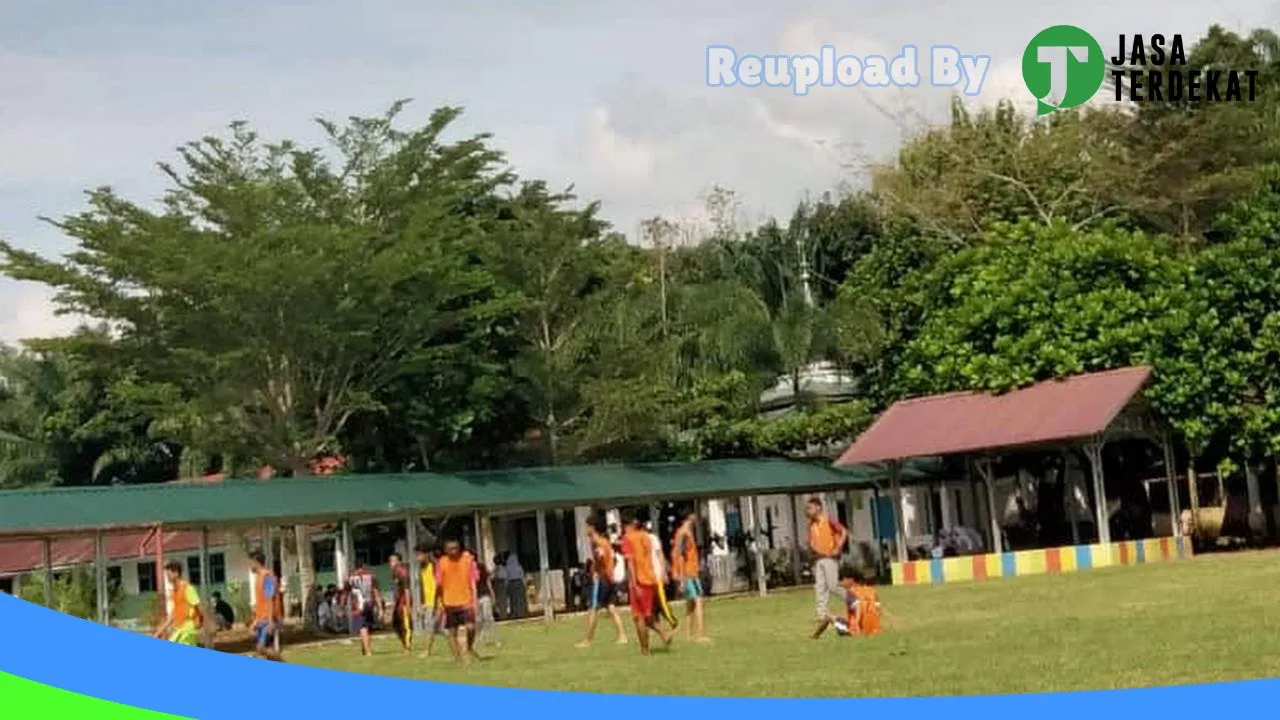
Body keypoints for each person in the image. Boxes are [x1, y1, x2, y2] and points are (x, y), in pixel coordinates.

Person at [620, 515, 674, 656]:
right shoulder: (646, 537)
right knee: (648, 615)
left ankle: (645, 649)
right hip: (650, 578)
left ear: (628, 525)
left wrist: (633, 583)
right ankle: (663, 634)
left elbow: (631, 563)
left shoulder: (628, 539)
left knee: (639, 617)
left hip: (639, 580)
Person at [577, 519, 628, 648]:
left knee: (593, 608)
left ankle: (588, 640)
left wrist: (596, 572)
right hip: (609, 578)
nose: (585, 529)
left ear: (592, 528)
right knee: (611, 607)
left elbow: (601, 557)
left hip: (602, 579)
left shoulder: (598, 542)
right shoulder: (603, 541)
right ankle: (622, 636)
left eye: (587, 526)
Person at [804, 496, 847, 634]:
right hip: (818, 560)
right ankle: (822, 615)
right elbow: (811, 542)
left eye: (810, 508)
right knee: (820, 588)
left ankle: (852, 600)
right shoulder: (810, 525)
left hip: (830, 558)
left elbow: (843, 532)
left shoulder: (828, 520)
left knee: (833, 586)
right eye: (807, 508)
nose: (808, 511)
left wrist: (838, 547)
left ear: (818, 508)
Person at [435, 538, 482, 664]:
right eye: (451, 549)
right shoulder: (442, 563)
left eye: (456, 548)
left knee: (471, 627)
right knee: (451, 632)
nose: (454, 551)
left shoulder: (467, 561)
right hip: (449, 601)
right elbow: (438, 584)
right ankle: (457, 659)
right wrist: (438, 602)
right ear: (445, 550)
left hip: (466, 600)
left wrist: (475, 600)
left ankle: (469, 647)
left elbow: (473, 582)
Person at [671, 512, 710, 643]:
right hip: (688, 574)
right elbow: (681, 556)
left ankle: (688, 634)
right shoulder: (684, 534)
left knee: (690, 605)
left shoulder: (687, 533)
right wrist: (682, 579)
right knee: (698, 600)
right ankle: (700, 635)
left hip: (691, 572)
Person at [813, 570, 883, 639]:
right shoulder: (872, 591)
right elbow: (878, 611)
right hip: (875, 629)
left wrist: (857, 624)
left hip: (855, 630)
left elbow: (858, 607)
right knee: (842, 618)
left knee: (828, 617)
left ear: (851, 580)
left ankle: (815, 636)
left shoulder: (851, 592)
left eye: (843, 579)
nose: (841, 582)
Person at [246, 551, 283, 661]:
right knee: (266, 648)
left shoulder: (267, 576)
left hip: (269, 618)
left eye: (250, 563)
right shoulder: (258, 577)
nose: (249, 566)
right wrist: (255, 621)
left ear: (256, 562)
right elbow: (261, 603)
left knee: (261, 648)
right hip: (262, 618)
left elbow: (270, 599)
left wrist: (271, 621)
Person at [154, 561, 202, 646]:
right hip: (180, 629)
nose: (167, 578)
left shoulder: (187, 588)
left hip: (187, 629)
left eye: (168, 575)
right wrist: (160, 631)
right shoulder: (175, 591)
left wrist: (204, 624)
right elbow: (173, 615)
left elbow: (199, 607)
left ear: (176, 573)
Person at [414, 544, 447, 658]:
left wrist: (440, 604)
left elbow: (440, 586)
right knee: (440, 629)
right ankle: (461, 643)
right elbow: (424, 586)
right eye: (416, 555)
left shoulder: (434, 566)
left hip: (436, 603)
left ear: (426, 554)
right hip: (428, 603)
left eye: (419, 555)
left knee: (430, 627)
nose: (417, 558)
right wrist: (423, 603)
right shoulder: (422, 568)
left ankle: (427, 651)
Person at [347, 561, 381, 657]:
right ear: (363, 566)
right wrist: (380, 607)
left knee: (362, 628)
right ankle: (364, 649)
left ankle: (367, 651)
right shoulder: (371, 576)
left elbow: (346, 592)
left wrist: (342, 606)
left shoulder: (350, 577)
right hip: (369, 604)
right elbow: (376, 591)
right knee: (366, 627)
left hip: (358, 606)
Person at [388, 552, 414, 654]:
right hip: (398, 601)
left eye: (393, 560)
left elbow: (407, 589)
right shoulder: (394, 572)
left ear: (398, 561)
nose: (390, 563)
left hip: (404, 601)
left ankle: (407, 647)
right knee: (395, 624)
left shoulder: (402, 571)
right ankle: (404, 643)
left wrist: (408, 605)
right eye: (390, 561)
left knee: (405, 624)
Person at [475, 560, 499, 646]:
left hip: (485, 596)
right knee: (478, 619)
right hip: (476, 598)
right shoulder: (470, 573)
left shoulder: (482, 571)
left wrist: (493, 596)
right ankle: (478, 638)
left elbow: (489, 584)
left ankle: (495, 639)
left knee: (488, 617)